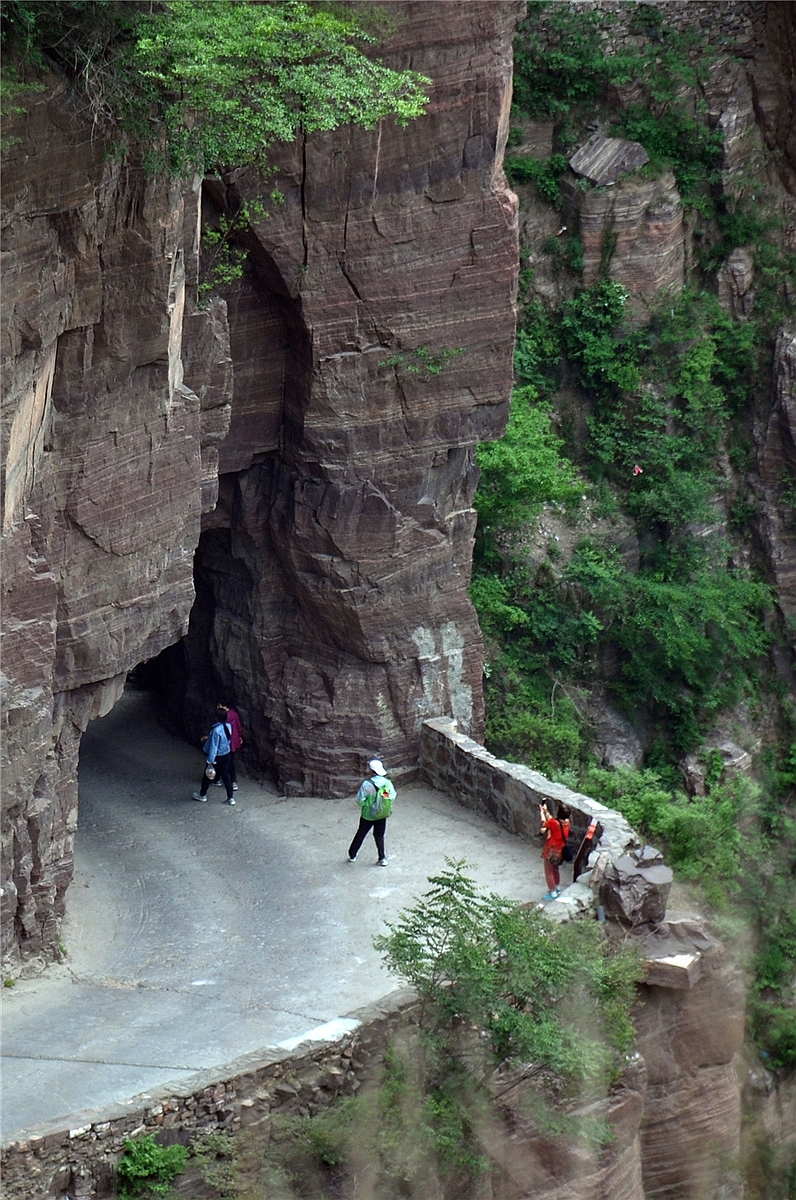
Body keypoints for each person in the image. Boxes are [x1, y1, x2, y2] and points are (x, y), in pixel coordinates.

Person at [348, 758, 396, 866]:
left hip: (368, 815)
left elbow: (360, 800)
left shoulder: (367, 784)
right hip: (381, 814)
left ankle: (352, 854)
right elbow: (392, 796)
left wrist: (365, 806)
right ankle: (382, 857)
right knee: (379, 836)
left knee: (361, 833)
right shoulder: (387, 783)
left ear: (371, 771)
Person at [192, 713, 235, 804]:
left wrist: (210, 760)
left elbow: (214, 747)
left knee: (207, 775)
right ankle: (230, 798)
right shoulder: (228, 726)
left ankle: (202, 794)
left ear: (216, 718)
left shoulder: (216, 730)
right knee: (226, 776)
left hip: (217, 757)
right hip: (226, 755)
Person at [540, 802, 571, 900]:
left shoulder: (554, 823)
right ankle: (557, 887)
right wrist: (546, 811)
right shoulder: (567, 822)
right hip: (560, 850)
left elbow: (545, 822)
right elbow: (553, 820)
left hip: (551, 850)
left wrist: (542, 812)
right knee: (556, 869)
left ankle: (552, 892)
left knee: (548, 872)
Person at [213, 702, 243, 791]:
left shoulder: (222, 716)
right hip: (233, 741)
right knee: (229, 761)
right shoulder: (234, 714)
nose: (217, 707)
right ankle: (230, 781)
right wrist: (240, 736)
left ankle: (226, 780)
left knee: (221, 761)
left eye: (219, 705)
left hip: (224, 742)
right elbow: (238, 726)